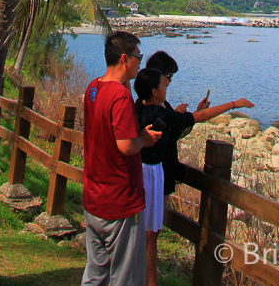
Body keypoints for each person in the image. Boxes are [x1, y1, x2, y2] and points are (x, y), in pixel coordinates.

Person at [138, 54, 254, 286]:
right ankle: (150, 281)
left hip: (148, 171)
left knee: (146, 230)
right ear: (155, 87)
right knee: (150, 232)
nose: (168, 84)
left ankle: (145, 278)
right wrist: (233, 104)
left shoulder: (140, 106)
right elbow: (196, 118)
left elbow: (173, 126)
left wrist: (183, 117)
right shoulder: (160, 111)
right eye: (166, 80)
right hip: (151, 174)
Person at [81, 30, 162, 286]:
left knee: (96, 273)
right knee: (125, 277)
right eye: (139, 57)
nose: (141, 62)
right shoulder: (120, 96)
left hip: (94, 196)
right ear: (125, 59)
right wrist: (144, 140)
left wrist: (126, 81)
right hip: (120, 201)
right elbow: (126, 146)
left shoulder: (93, 88)